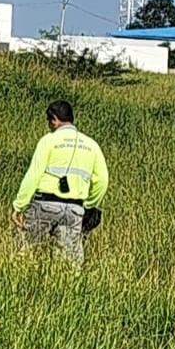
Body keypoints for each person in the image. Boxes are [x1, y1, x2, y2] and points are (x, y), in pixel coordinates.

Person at [11, 100, 108, 264]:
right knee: (69, 265)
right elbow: (102, 181)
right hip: (75, 210)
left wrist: (19, 206)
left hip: (44, 205)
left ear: (54, 119)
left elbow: (33, 176)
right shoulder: (92, 145)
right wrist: (89, 204)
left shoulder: (48, 141)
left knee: (25, 254)